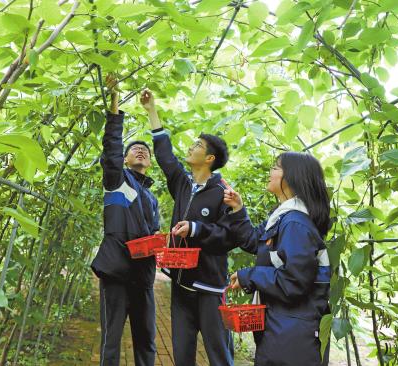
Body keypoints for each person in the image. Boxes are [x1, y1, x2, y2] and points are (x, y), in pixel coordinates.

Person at [141, 89, 236, 366]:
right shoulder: (183, 184)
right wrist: (152, 112)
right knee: (182, 354)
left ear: (209, 159)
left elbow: (228, 236)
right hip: (181, 283)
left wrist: (195, 228)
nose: (191, 147)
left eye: (197, 145)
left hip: (209, 286)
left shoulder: (224, 192)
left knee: (218, 354)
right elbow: (166, 157)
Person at [224, 152, 331, 366]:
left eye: (276, 167)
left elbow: (294, 282)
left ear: (292, 177)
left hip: (292, 337)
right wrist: (238, 209)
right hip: (282, 327)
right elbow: (254, 241)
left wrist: (248, 276)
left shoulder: (295, 224)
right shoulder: (284, 217)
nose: (271, 171)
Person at [90, 76, 160, 366]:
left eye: (145, 149)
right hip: (117, 272)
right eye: (134, 149)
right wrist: (115, 101)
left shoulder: (153, 200)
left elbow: (153, 235)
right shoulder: (117, 180)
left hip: (143, 276)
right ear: (126, 159)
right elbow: (112, 147)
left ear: (151, 161)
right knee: (111, 339)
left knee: (147, 339)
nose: (140, 150)